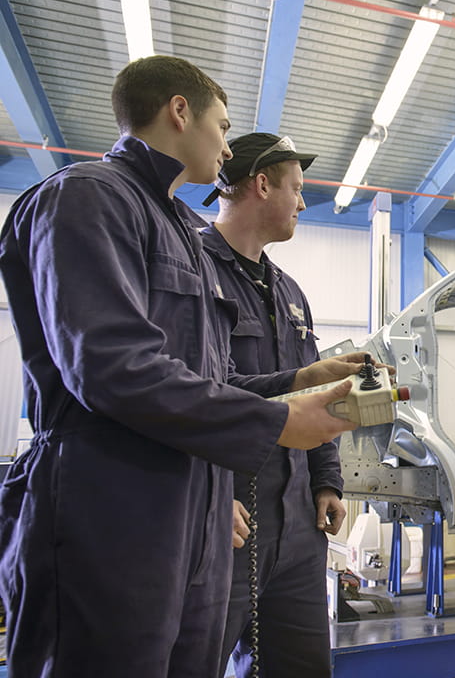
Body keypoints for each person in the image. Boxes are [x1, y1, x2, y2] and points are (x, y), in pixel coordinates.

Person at [0, 56, 361, 677]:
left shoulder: (177, 227)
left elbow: (207, 379)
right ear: (180, 111)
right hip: (108, 508)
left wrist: (295, 386)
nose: (226, 146)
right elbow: (111, 367)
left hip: (190, 513)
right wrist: (273, 424)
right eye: (222, 126)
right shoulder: (88, 197)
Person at [200, 133, 344, 677]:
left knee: (303, 664)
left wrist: (326, 480)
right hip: (228, 514)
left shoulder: (290, 292)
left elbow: (313, 400)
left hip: (299, 520)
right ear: (262, 185)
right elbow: (191, 394)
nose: (303, 203)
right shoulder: (195, 273)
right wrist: (204, 496)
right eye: (298, 189)